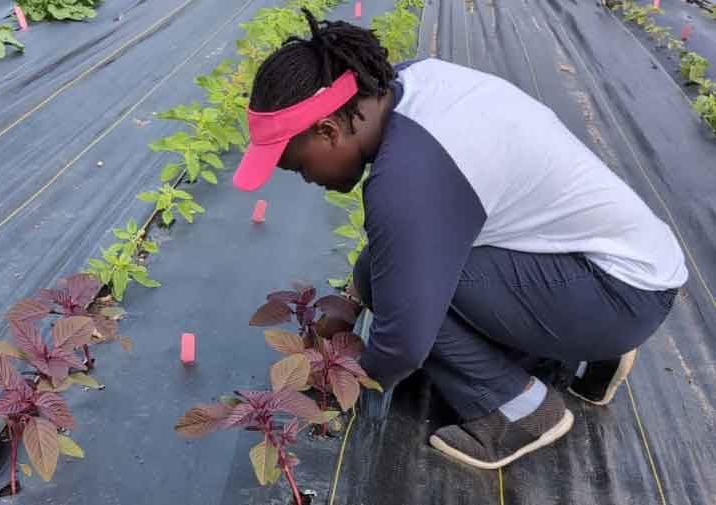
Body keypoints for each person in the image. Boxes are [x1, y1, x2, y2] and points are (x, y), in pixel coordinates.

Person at [230, 10, 687, 470]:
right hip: (626, 264)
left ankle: (519, 412)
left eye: (298, 167)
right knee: (380, 273)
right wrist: (351, 299)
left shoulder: (408, 175)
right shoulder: (410, 85)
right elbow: (401, 244)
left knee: (407, 300)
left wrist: (332, 384)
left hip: (617, 292)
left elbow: (403, 344)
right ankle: (588, 348)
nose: (307, 180)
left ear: (328, 130)